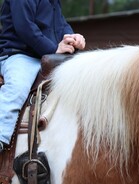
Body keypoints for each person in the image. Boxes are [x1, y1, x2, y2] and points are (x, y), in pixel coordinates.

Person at [0, 0, 85, 153]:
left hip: (47, 55)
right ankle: (1, 136)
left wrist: (72, 37)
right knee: (17, 88)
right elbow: (25, 28)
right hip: (20, 54)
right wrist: (53, 49)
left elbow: (59, 24)